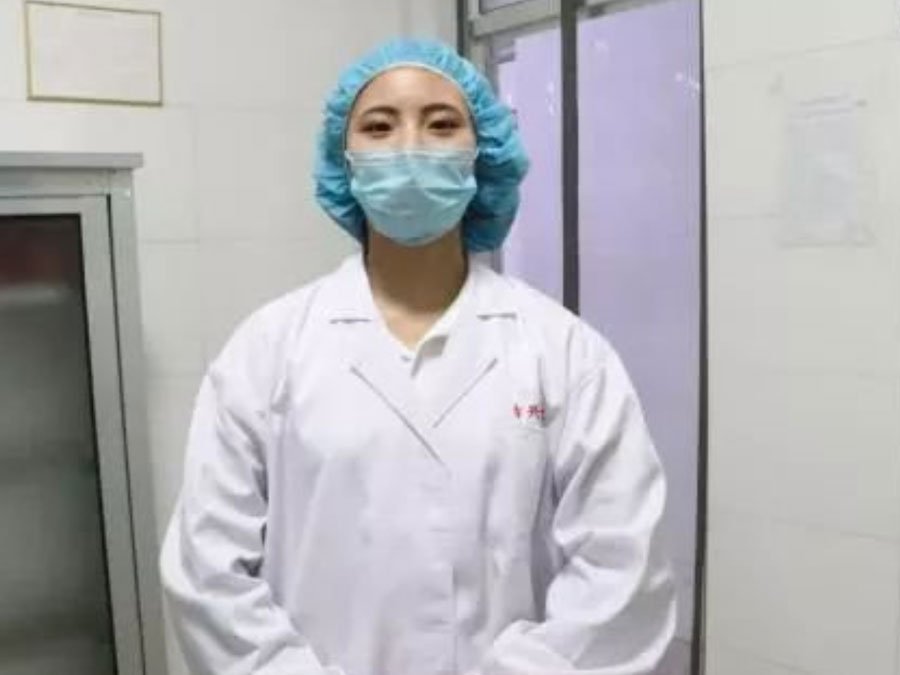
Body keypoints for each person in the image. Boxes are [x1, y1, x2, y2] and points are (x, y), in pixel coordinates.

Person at [160, 38, 676, 675]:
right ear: (345, 161)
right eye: (379, 127)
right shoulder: (268, 350)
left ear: (481, 152)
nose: (410, 147)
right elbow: (208, 571)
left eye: (441, 124)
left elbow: (621, 571)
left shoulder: (564, 351)